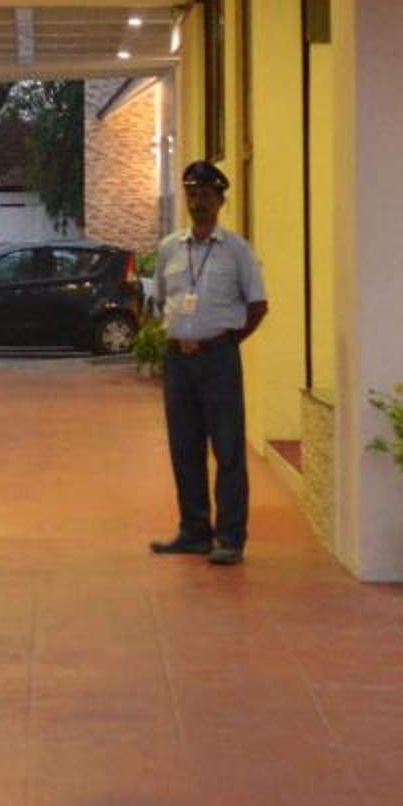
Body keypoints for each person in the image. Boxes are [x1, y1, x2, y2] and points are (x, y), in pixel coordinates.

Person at [146, 159, 268, 566]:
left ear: (220, 200)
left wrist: (226, 341)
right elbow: (162, 299)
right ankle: (194, 532)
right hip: (178, 363)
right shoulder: (169, 248)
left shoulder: (237, 250)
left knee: (228, 448)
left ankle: (230, 538)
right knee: (184, 447)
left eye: (206, 195)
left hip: (218, 360)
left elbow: (258, 305)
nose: (198, 202)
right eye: (192, 194)